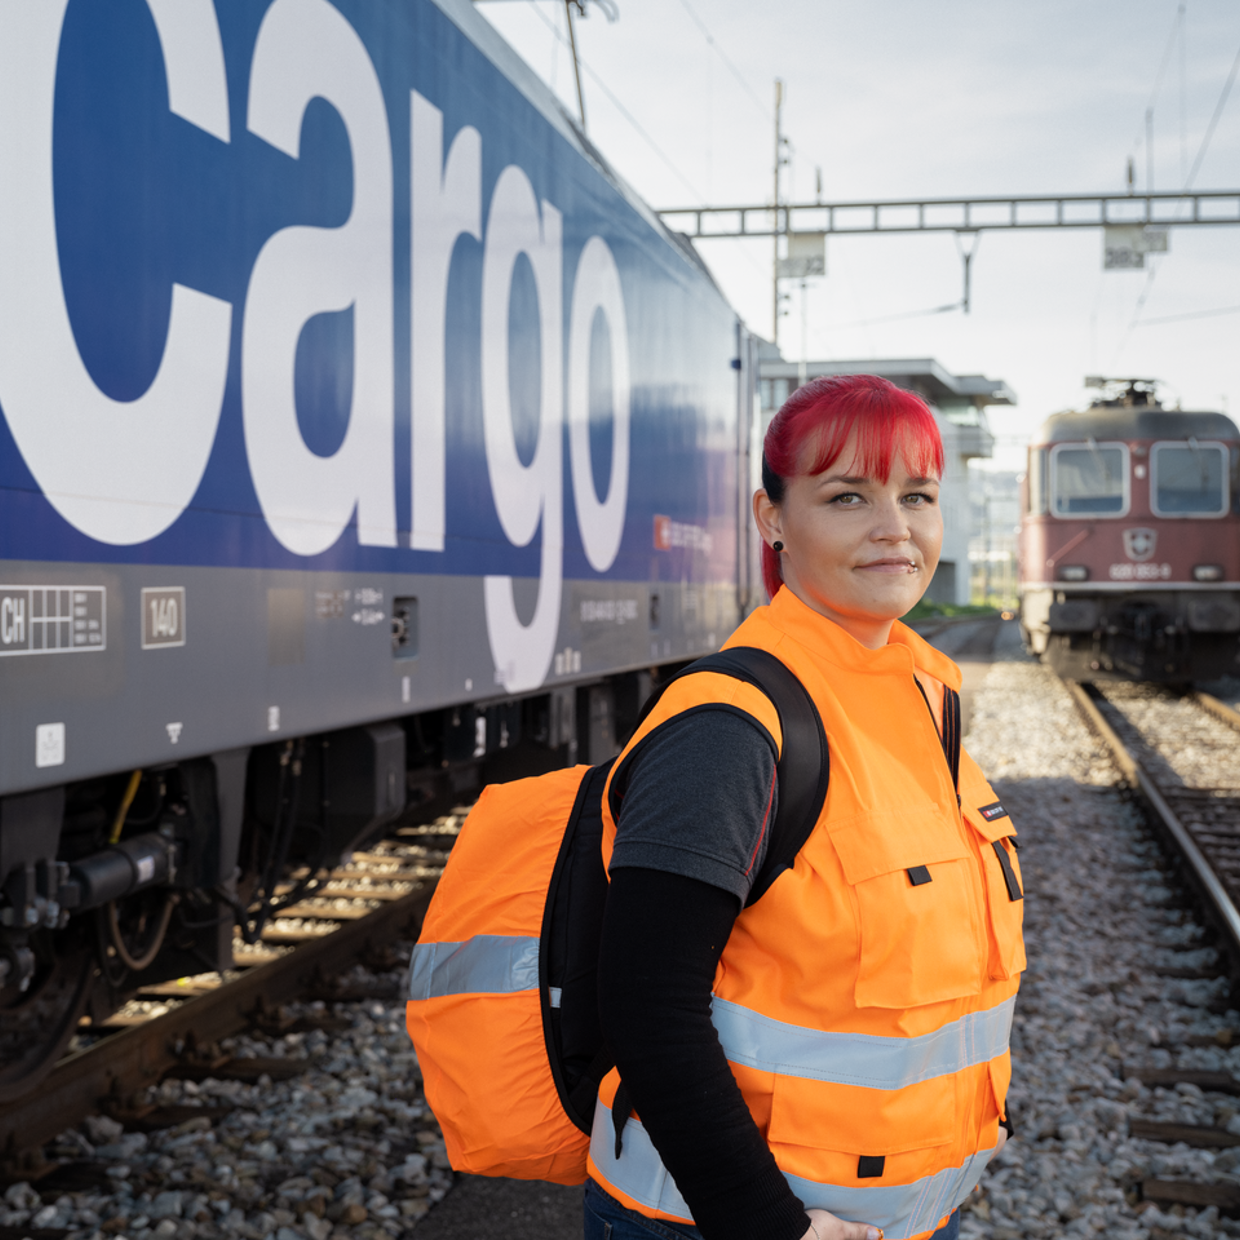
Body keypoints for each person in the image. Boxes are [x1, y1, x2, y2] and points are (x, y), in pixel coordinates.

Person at [585, 375, 1024, 1240]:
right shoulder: (730, 726)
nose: (895, 526)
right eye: (848, 496)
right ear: (773, 518)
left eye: (918, 495)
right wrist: (771, 1226)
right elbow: (645, 1003)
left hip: (896, 1215)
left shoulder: (921, 700)